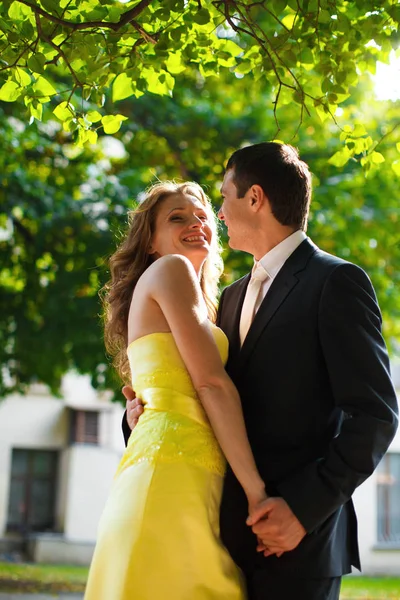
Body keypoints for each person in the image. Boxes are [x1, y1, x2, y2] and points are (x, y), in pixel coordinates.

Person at [123, 142, 399, 600]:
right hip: (220, 539)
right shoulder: (226, 298)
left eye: (225, 197)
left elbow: (374, 416)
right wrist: (137, 417)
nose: (220, 214)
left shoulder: (336, 282)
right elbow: (202, 390)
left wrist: (303, 511)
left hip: (299, 547)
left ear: (254, 198)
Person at [84, 181, 270, 600]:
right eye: (177, 218)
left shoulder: (207, 304)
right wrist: (258, 492)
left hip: (186, 471)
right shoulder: (171, 270)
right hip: (172, 475)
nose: (196, 224)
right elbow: (210, 383)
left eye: (203, 216)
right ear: (150, 241)